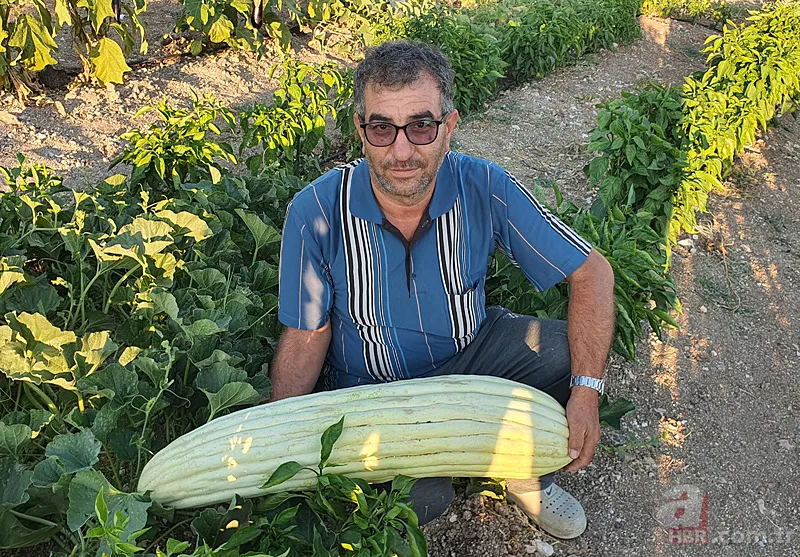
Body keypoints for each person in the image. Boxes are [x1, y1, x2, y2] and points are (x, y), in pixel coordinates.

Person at [270, 40, 615, 539]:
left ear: (448, 128)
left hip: (468, 353)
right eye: (383, 128)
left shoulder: (484, 187)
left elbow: (593, 274)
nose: (402, 150)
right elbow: (306, 335)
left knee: (563, 351)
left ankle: (523, 471)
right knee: (424, 499)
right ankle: (459, 454)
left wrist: (587, 392)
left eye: (422, 126)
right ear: (361, 132)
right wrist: (281, 434)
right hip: (375, 391)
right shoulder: (316, 213)